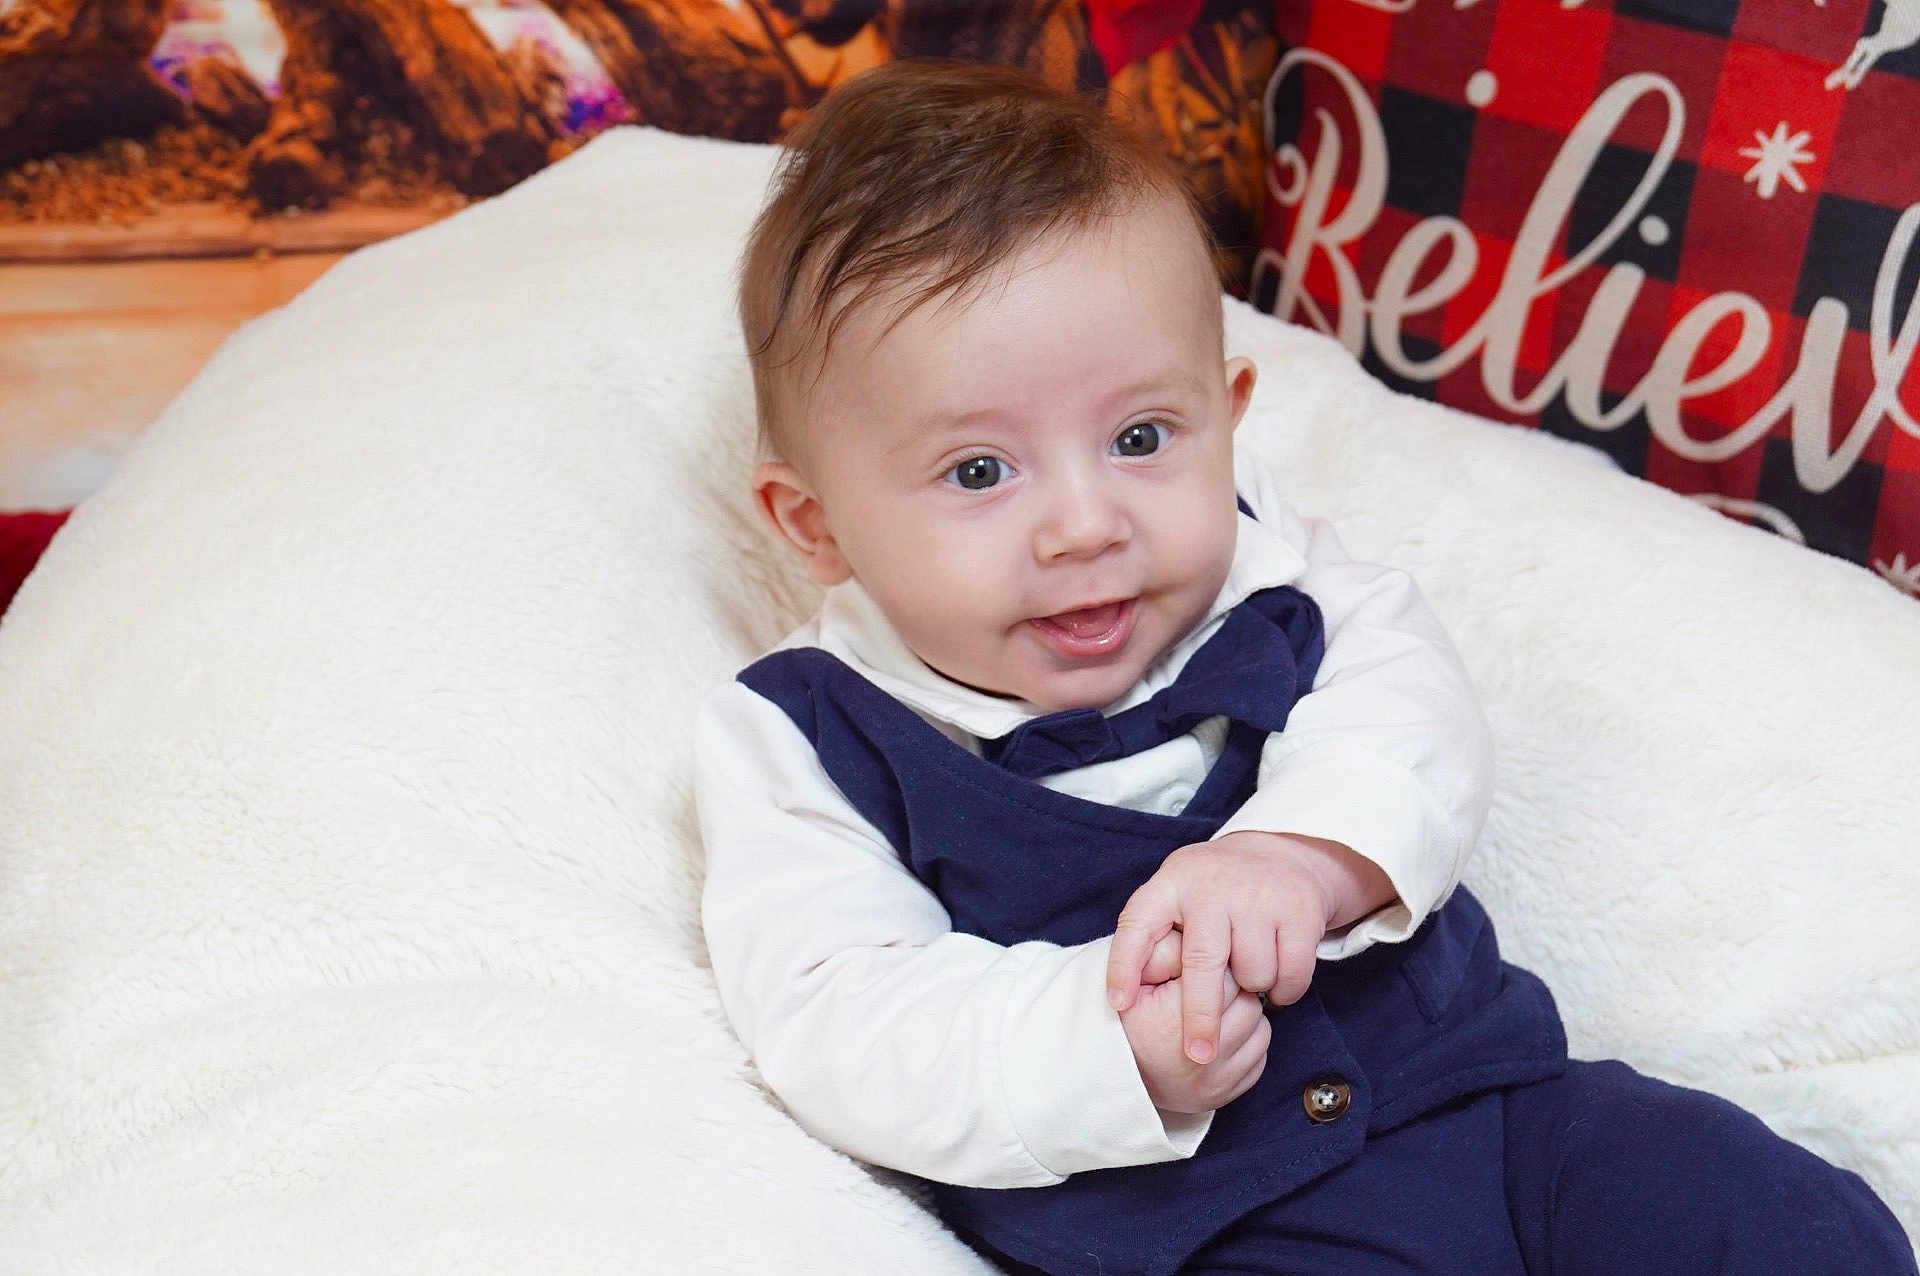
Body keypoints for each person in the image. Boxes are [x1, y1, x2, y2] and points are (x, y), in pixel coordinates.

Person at [694, 59, 1915, 1275]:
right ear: (813, 525)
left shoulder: (1272, 584)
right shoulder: (806, 738)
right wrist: (1111, 1044)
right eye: (978, 472)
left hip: (1493, 1112)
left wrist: (1302, 855)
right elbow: (843, 1019)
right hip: (1211, 1227)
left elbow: (1409, 714)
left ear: (1226, 413)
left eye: (1139, 438)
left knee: (1746, 1199)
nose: (1084, 524)